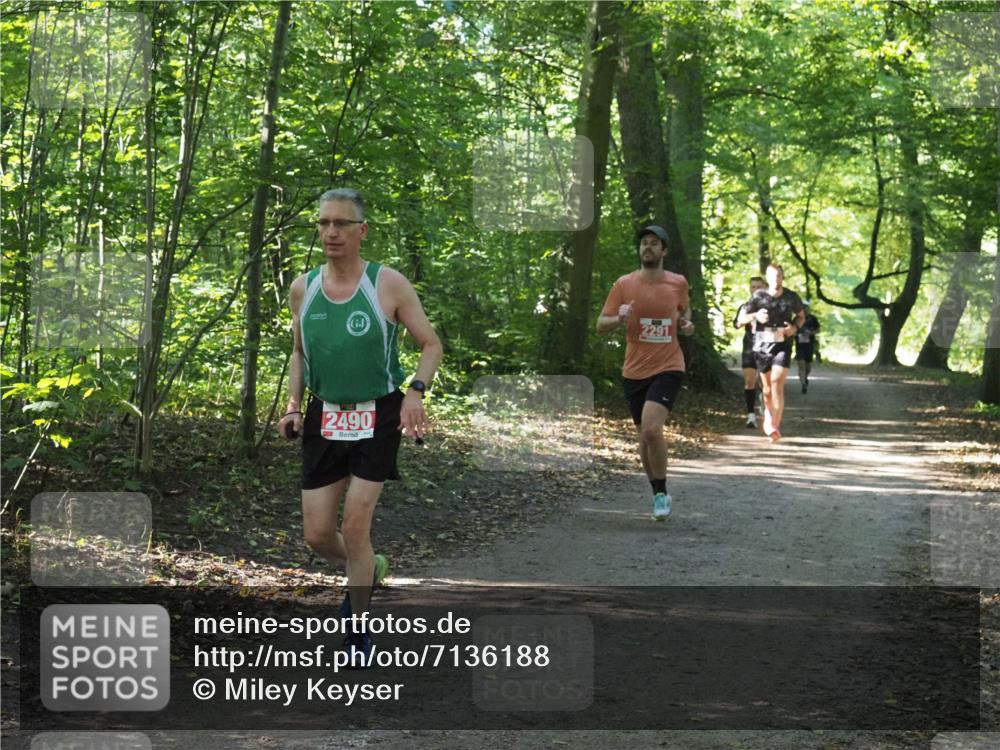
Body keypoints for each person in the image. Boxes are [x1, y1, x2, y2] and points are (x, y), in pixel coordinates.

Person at [279, 188, 443, 667]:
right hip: (323, 413)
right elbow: (299, 352)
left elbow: (430, 344)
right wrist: (292, 404)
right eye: (324, 223)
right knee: (316, 535)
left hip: (379, 413)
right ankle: (368, 568)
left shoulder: (386, 284)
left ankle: (357, 633)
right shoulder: (301, 288)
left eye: (342, 224)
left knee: (355, 526)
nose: (331, 232)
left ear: (361, 231)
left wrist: (415, 392)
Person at [597, 225, 694, 521]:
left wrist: (686, 325)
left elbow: (685, 313)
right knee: (643, 438)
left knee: (652, 430)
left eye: (654, 244)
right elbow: (601, 324)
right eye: (644, 244)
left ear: (664, 251)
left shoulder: (677, 283)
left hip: (668, 366)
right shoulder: (624, 284)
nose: (648, 248)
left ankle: (662, 492)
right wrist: (618, 317)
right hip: (634, 370)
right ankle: (656, 492)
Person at [735, 262, 804, 442]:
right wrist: (755, 316)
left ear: (783, 277)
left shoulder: (791, 297)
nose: (776, 279)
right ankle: (767, 411)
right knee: (766, 388)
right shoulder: (758, 297)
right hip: (761, 346)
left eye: (779, 275)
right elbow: (741, 319)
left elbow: (801, 316)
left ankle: (774, 425)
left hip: (783, 344)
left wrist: (795, 327)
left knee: (777, 383)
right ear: (768, 278)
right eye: (772, 276)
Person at [733, 276, 766, 428]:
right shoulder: (745, 306)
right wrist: (753, 316)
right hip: (749, 346)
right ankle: (751, 415)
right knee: (749, 381)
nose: (756, 290)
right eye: (753, 287)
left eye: (759, 287)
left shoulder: (770, 306)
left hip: (767, 347)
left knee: (765, 382)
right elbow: (737, 323)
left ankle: (764, 401)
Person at [795, 301, 821, 393]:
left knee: (808, 366)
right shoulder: (796, 318)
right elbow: (792, 329)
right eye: (803, 307)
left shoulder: (813, 318)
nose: (805, 309)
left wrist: (810, 333)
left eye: (806, 308)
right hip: (799, 346)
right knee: (801, 364)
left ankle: (805, 378)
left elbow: (818, 329)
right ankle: (803, 384)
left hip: (809, 345)